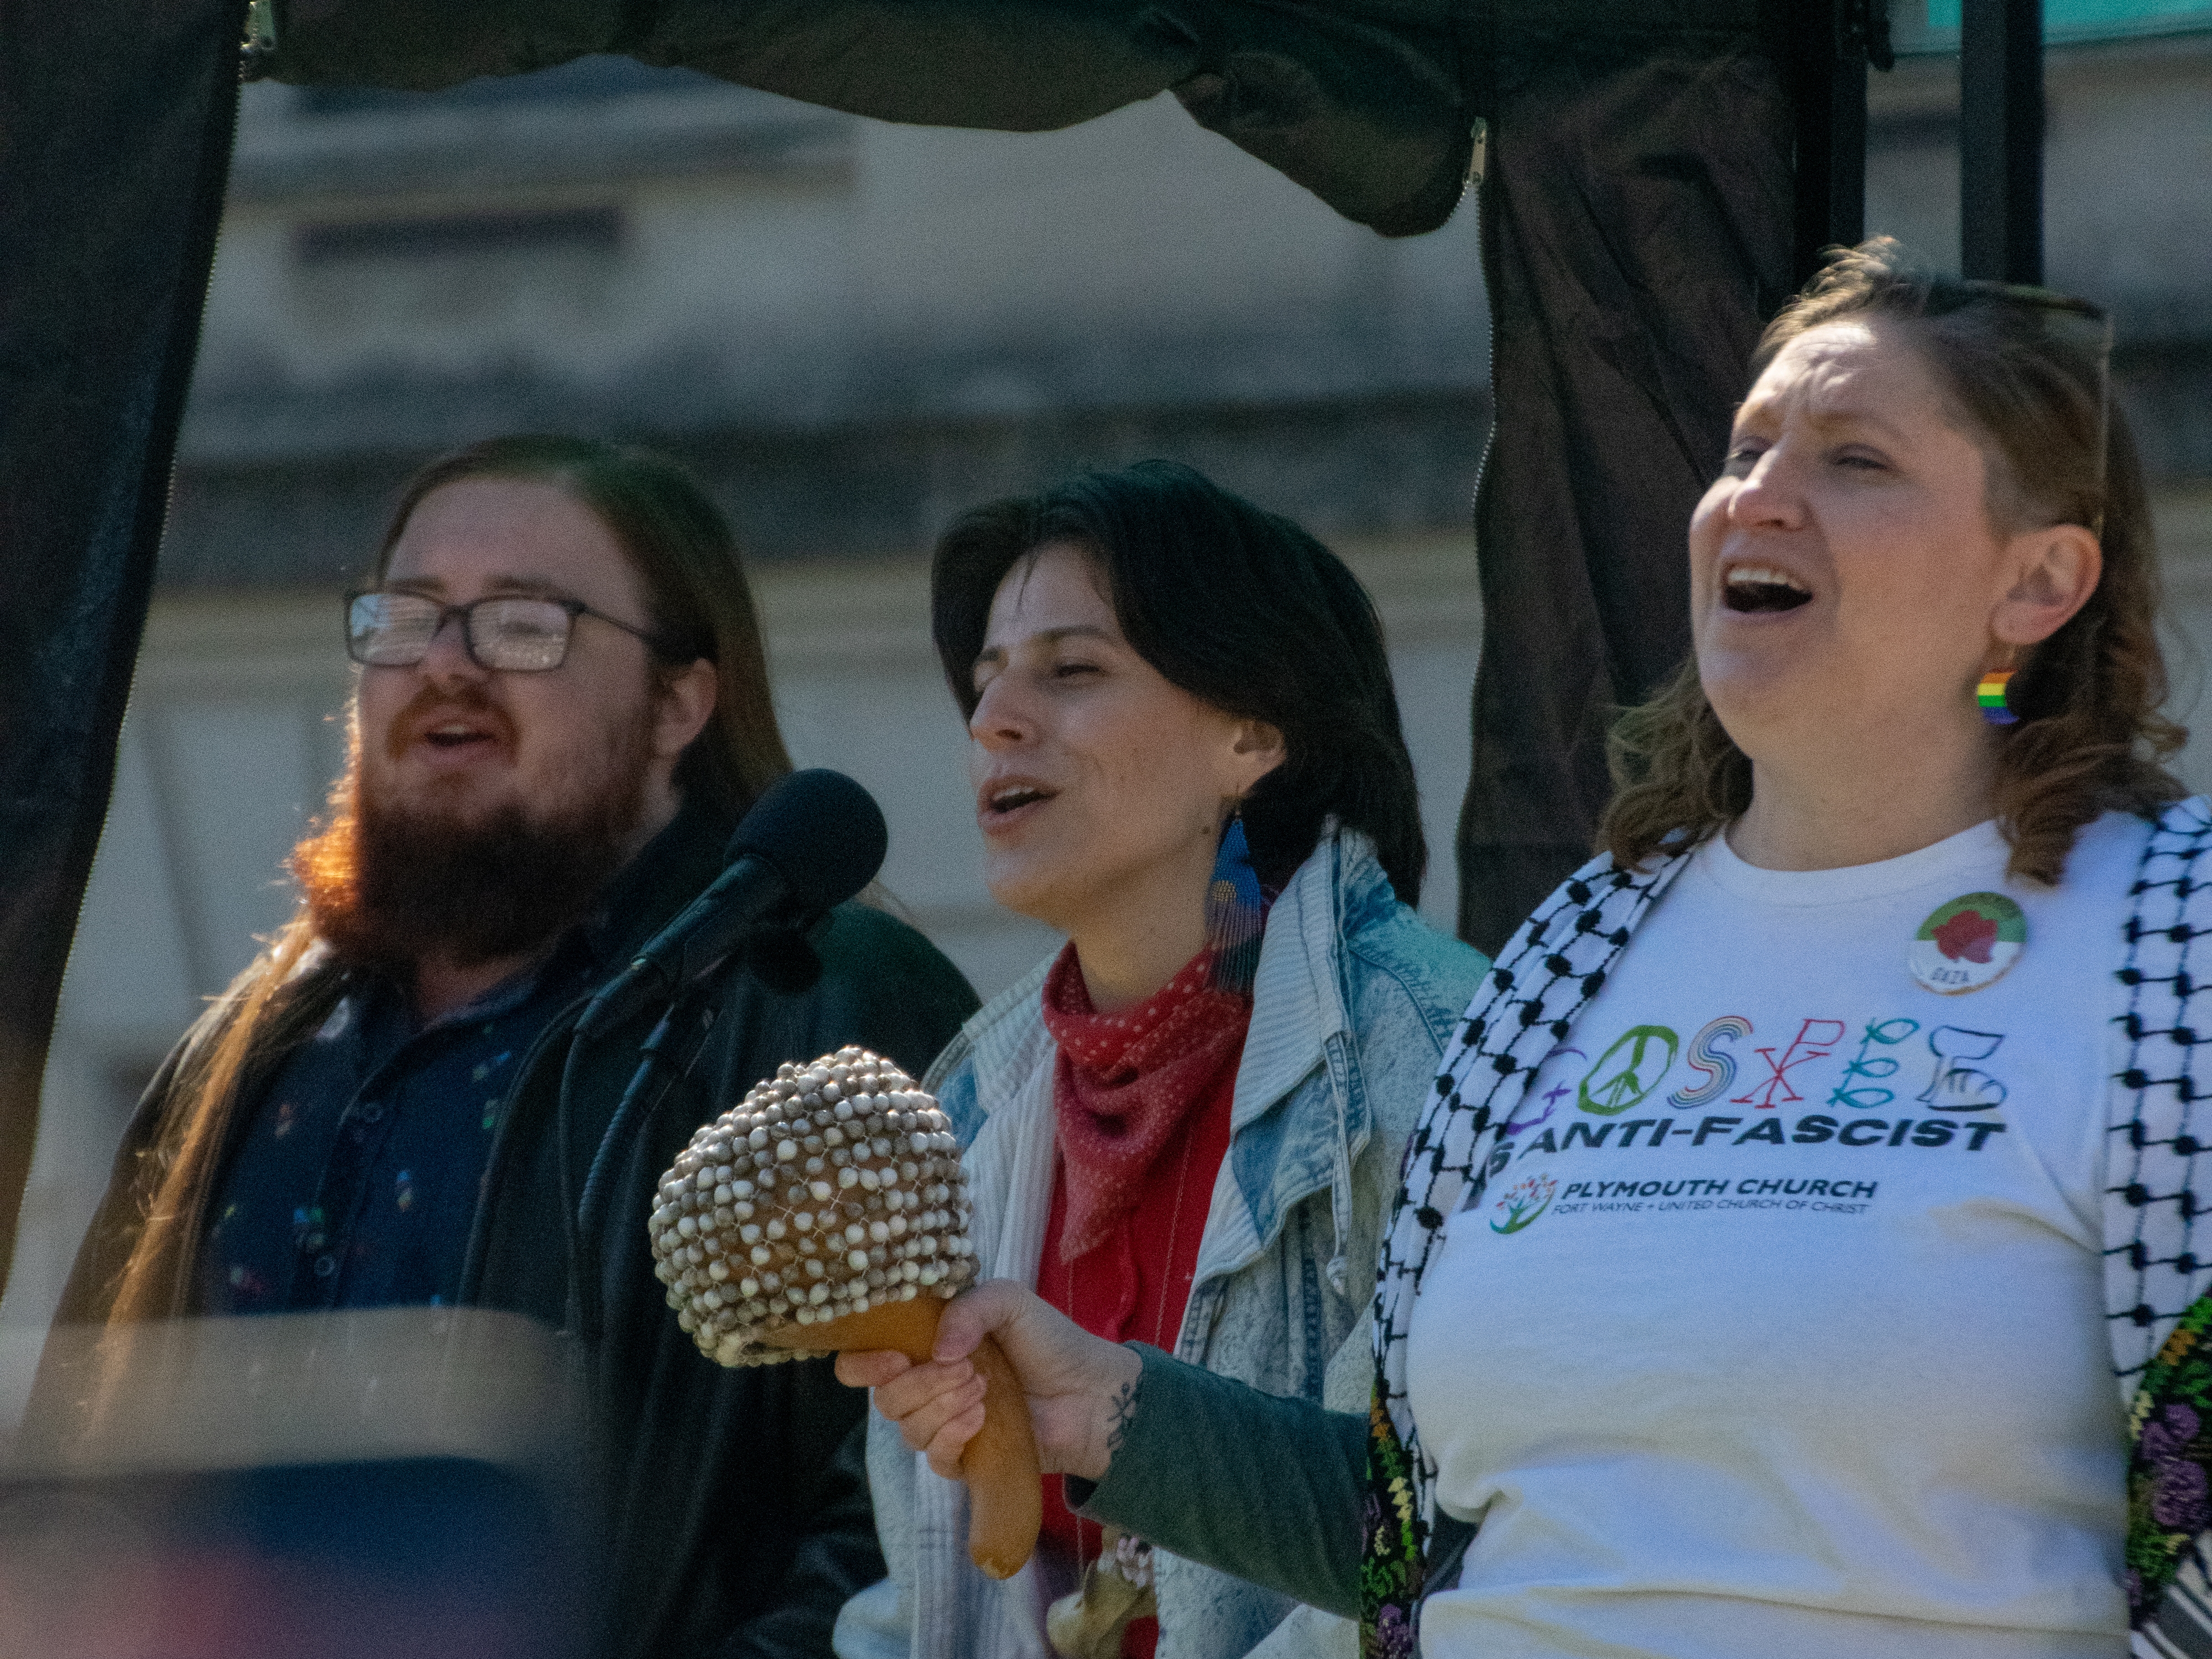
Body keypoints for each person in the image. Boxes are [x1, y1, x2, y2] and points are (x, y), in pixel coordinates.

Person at [844, 242, 2212, 1658]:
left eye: (1852, 459)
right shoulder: (1579, 949)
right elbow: (1404, 1540)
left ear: (2035, 581)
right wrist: (1111, 1411)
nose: (1755, 496)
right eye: (1744, 447)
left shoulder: (2170, 941)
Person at [39, 435, 980, 1659]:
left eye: (524, 624)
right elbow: (84, 1472)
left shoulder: (818, 1001)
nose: (445, 664)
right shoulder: (245, 1051)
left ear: (681, 702)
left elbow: (921, 1497)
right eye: (407, 617)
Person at [832, 461, 1489, 1659]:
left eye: (1070, 672)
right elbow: (929, 1588)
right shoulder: (969, 1101)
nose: (993, 722)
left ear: (1251, 734)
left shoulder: (1441, 1055)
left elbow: (1462, 1555)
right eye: (984, 684)